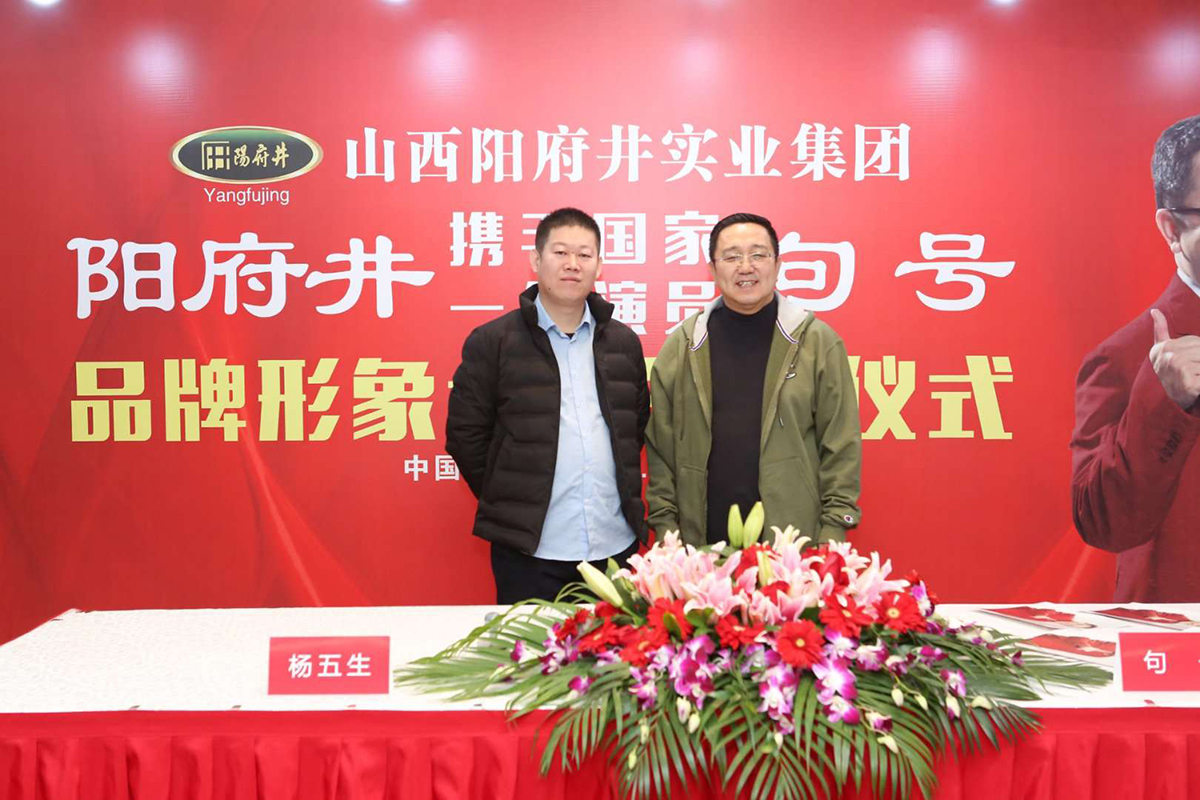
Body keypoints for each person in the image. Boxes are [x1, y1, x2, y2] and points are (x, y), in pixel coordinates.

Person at [446, 207, 649, 603]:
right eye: (560, 252)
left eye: (584, 254)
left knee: (615, 645)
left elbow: (633, 425)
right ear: (536, 260)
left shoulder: (624, 343)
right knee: (529, 645)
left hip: (614, 547)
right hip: (530, 553)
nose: (573, 264)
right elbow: (465, 435)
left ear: (598, 266)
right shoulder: (493, 341)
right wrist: (511, 497)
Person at [646, 212, 862, 546]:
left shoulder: (817, 342)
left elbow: (841, 444)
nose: (746, 267)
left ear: (777, 264)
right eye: (732, 257)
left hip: (793, 544)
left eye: (758, 255)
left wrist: (833, 528)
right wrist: (666, 528)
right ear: (712, 268)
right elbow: (661, 449)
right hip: (700, 547)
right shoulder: (683, 345)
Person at [1071, 114, 1200, 602]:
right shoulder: (1124, 356)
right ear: (1171, 227)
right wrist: (1164, 401)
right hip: (1182, 636)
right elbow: (1102, 523)